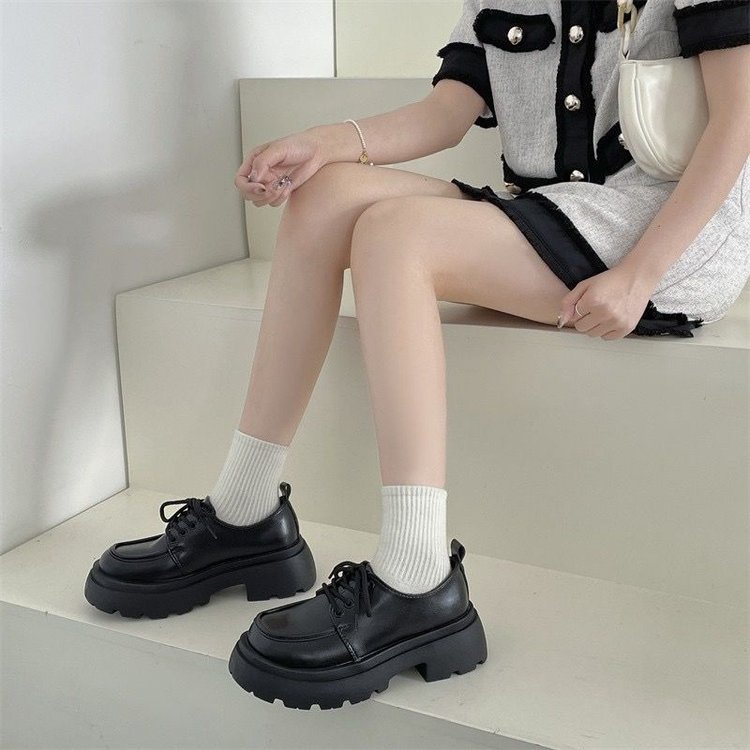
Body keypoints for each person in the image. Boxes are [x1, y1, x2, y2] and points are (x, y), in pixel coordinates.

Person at [84, 0, 750, 711]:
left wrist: (641, 275)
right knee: (326, 193)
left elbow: (736, 121)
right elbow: (447, 113)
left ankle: (418, 575)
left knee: (396, 234)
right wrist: (323, 144)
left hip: (667, 232)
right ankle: (245, 511)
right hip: (552, 209)